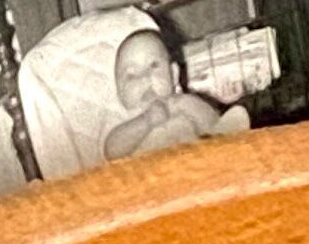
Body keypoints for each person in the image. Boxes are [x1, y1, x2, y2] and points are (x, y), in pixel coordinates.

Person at [99, 25, 251, 161]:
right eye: (131, 75)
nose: (144, 77)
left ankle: (229, 143)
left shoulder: (182, 102)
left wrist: (222, 106)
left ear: (174, 73)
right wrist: (146, 121)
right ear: (119, 93)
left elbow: (210, 124)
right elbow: (111, 151)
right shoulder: (127, 119)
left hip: (197, 166)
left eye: (154, 65)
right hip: (152, 181)